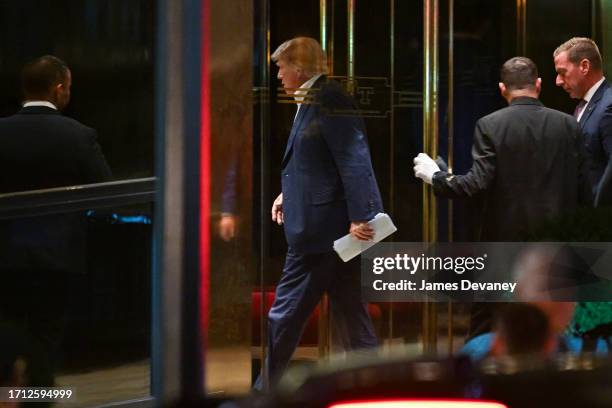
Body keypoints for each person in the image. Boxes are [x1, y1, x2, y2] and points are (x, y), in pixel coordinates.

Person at [413, 57, 590, 338]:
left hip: (503, 249)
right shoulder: (568, 125)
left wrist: (437, 176)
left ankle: (484, 382)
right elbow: (585, 191)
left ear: (502, 88)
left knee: (486, 328)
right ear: (539, 85)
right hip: (556, 248)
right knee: (559, 326)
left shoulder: (490, 124)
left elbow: (475, 184)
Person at [254, 37, 382, 390]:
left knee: (285, 314)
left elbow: (353, 158)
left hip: (323, 233)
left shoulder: (329, 98)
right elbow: (317, 163)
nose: (278, 76)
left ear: (298, 68)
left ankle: (264, 392)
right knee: (352, 317)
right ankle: (380, 387)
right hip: (327, 226)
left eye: (281, 67)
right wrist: (288, 195)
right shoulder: (315, 98)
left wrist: (361, 217)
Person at [0, 55, 112, 383]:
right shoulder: (78, 135)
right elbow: (106, 193)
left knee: (6, 338)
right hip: (56, 256)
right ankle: (39, 402)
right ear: (59, 89)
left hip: (4, 254)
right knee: (45, 340)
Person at [554, 37, 612, 206]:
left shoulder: (609, 104)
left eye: (562, 72)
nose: (557, 81)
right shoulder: (583, 106)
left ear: (584, 66)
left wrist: (596, 210)